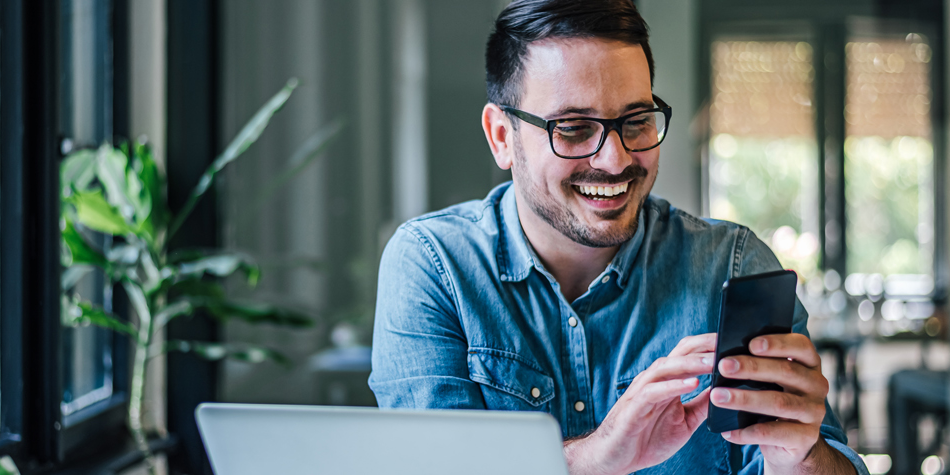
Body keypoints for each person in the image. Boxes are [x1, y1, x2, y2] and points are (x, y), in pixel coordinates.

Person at [368, 1, 868, 474]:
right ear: (502, 137)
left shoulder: (732, 266)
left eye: (636, 120)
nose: (615, 160)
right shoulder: (434, 264)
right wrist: (595, 458)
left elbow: (818, 458)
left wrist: (800, 458)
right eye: (573, 128)